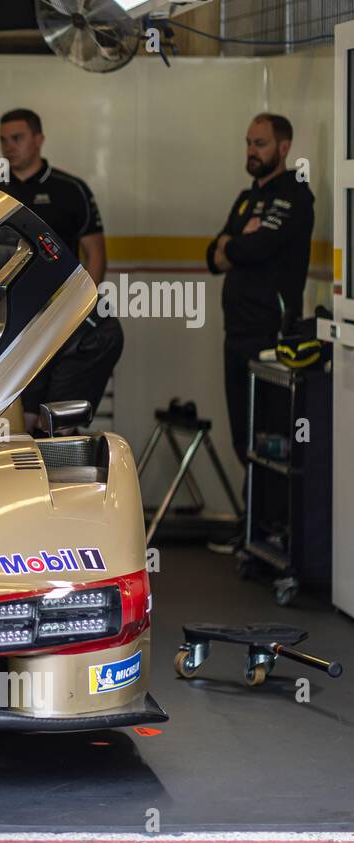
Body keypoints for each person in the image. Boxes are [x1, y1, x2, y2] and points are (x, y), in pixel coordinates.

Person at [205, 113, 314, 553]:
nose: (252, 151)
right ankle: (253, 525)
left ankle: (270, 527)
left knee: (269, 435)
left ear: (284, 147)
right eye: (249, 142)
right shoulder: (246, 199)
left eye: (261, 144)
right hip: (237, 331)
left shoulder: (294, 195)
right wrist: (232, 244)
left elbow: (255, 248)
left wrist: (233, 245)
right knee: (243, 435)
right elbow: (211, 257)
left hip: (271, 335)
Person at [0, 108, 122, 432]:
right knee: (26, 418)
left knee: (57, 422)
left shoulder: (70, 189)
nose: (9, 147)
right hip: (16, 323)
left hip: (65, 317)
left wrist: (75, 309)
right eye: (3, 140)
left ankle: (59, 466)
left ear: (39, 139)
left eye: (17, 138)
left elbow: (95, 255)